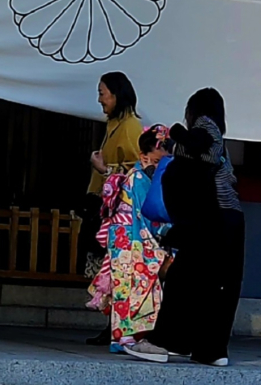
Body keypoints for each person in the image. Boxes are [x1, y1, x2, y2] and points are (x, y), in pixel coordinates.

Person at [126, 88, 244, 367]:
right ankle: (212, 349)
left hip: (208, 218)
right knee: (221, 285)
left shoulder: (205, 127)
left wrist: (177, 133)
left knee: (183, 279)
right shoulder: (221, 142)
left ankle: (165, 341)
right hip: (231, 220)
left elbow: (197, 146)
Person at [86, 125, 172, 353]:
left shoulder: (137, 176)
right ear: (143, 157)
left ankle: (125, 336)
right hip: (131, 236)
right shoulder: (139, 179)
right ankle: (124, 336)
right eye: (154, 161)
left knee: (133, 286)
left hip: (129, 236)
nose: (157, 166)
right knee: (130, 286)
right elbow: (151, 213)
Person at [80, 72, 144, 345]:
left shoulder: (130, 126)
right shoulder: (114, 124)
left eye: (102, 93)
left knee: (114, 268)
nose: (99, 99)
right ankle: (112, 325)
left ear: (117, 95)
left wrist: (105, 170)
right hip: (103, 206)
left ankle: (117, 327)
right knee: (104, 269)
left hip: (118, 212)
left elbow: (137, 168)